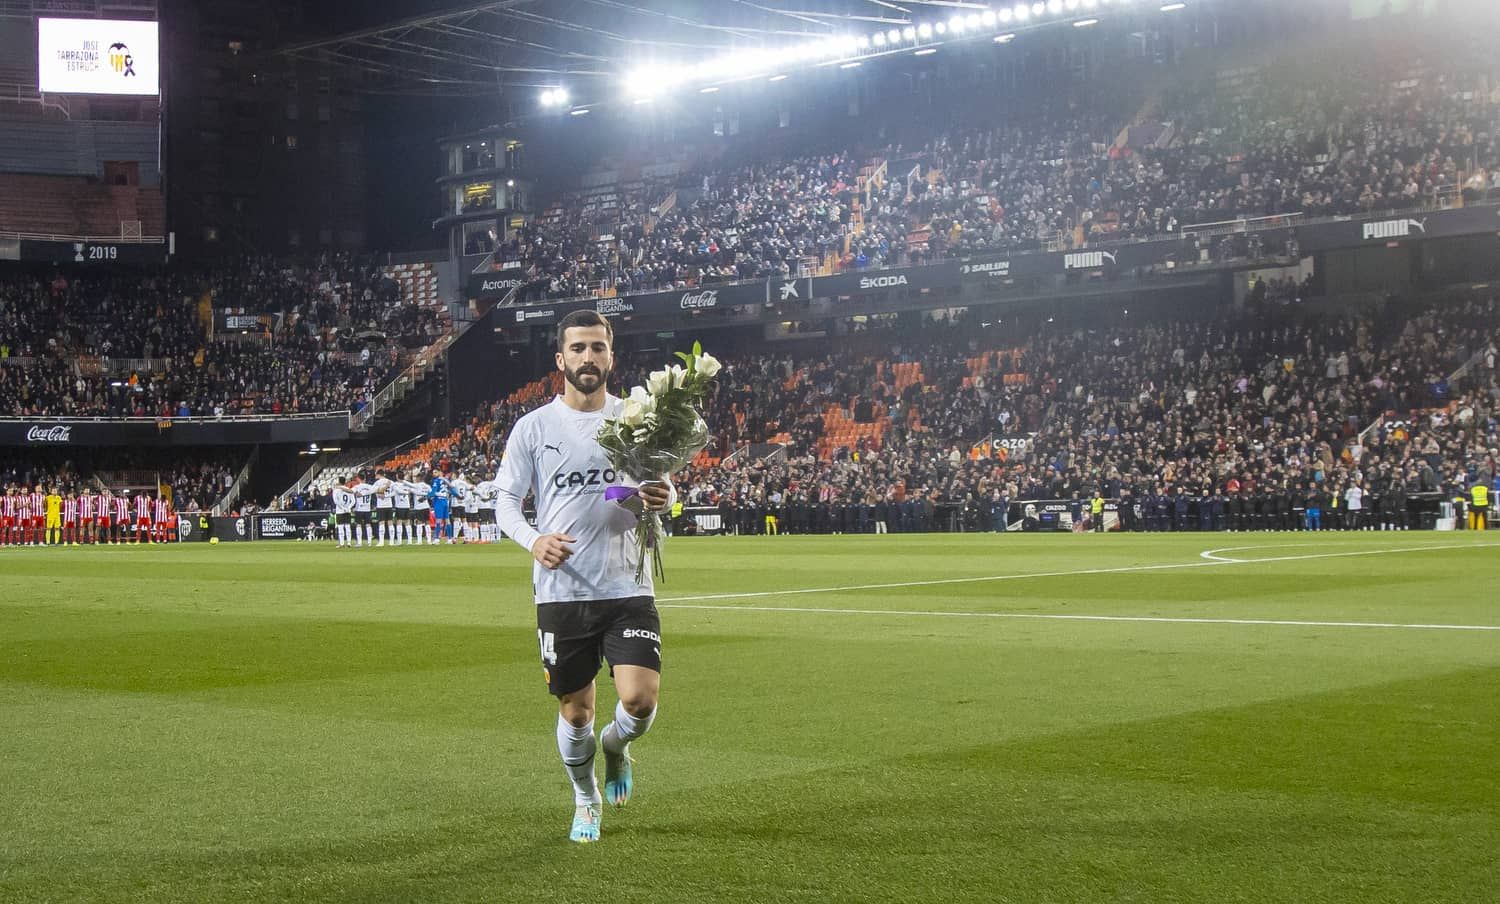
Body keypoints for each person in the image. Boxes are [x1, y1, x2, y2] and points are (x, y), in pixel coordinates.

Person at [494, 309, 676, 845]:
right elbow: (505, 500)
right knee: (577, 713)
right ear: (561, 359)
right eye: (578, 349)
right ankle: (584, 797)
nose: (588, 358)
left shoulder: (638, 419)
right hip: (562, 591)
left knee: (640, 700)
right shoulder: (534, 428)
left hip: (628, 584)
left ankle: (617, 747)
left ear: (611, 356)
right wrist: (534, 539)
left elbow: (660, 491)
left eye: (598, 347)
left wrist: (665, 497)